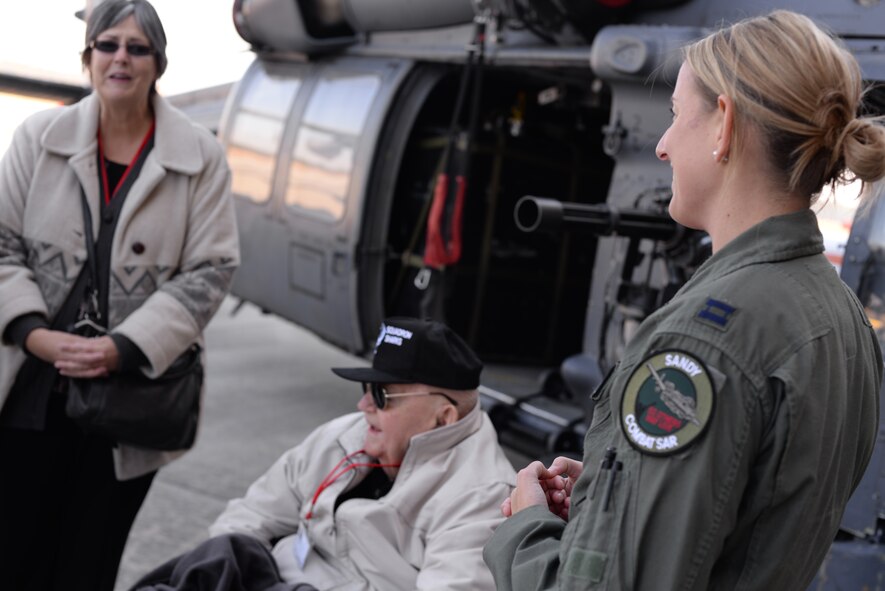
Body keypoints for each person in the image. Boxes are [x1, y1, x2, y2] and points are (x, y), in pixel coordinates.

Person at [483, 10, 884, 591]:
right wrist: (609, 494)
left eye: (675, 116)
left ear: (723, 126)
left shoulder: (701, 342)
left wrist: (524, 527)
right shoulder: (841, 317)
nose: (664, 146)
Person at [0, 0, 239, 589]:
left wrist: (122, 348)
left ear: (159, 63)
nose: (121, 58)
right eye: (108, 45)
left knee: (87, 563)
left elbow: (211, 269)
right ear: (88, 58)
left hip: (134, 397)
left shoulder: (200, 157)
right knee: (11, 554)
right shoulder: (38, 137)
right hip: (30, 389)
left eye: (138, 47)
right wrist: (33, 333)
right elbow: (0, 243)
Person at [132, 317, 516, 591]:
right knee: (225, 551)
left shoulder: (482, 496)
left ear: (442, 416)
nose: (364, 404)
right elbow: (251, 516)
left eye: (383, 395)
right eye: (367, 386)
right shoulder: (345, 436)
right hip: (277, 576)